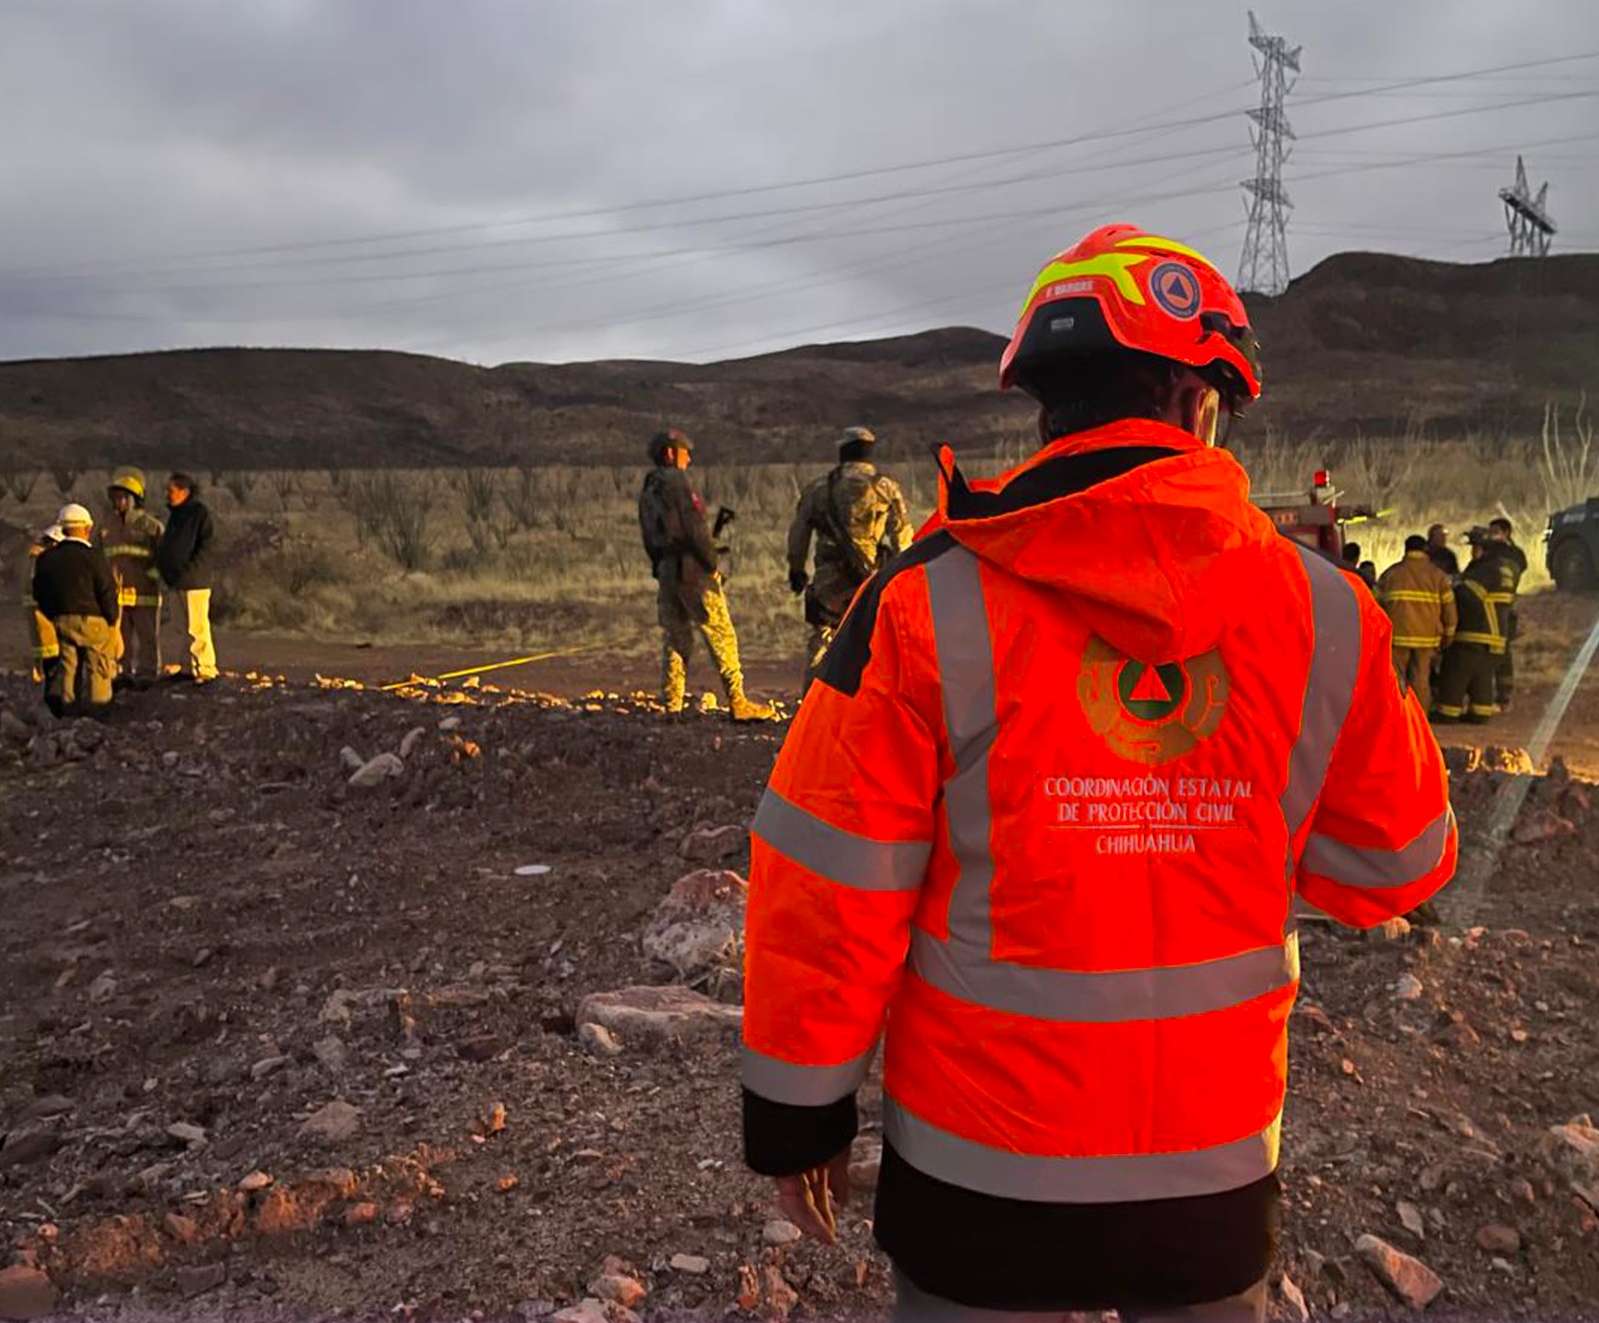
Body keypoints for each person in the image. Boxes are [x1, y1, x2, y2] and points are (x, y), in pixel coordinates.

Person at [741, 224, 1457, 1323]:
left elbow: (826, 883)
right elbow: (1395, 866)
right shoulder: (1325, 610)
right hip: (1209, 1177)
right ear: (1200, 403)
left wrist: (800, 1116)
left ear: (1046, 407)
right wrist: (1220, 821)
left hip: (976, 1182)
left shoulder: (922, 602)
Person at [637, 428, 774, 720]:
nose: (688, 458)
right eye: (684, 452)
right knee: (721, 634)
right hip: (692, 572)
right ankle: (738, 701)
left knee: (676, 638)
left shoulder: (650, 486)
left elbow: (648, 535)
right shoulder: (677, 481)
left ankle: (672, 705)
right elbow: (694, 528)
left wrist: (661, 566)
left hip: (666, 570)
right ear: (670, 453)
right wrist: (711, 565)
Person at [786, 425, 912, 694]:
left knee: (823, 639)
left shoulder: (818, 489)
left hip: (829, 580)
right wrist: (904, 578)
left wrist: (796, 569)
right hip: (872, 580)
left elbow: (799, 534)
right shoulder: (886, 489)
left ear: (842, 451)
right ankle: (874, 703)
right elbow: (902, 538)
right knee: (877, 642)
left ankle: (813, 704)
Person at [32, 504, 121, 717]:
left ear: (63, 528)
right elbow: (106, 590)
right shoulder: (95, 557)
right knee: (98, 667)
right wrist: (111, 618)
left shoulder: (47, 559)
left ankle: (69, 712)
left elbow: (39, 592)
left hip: (62, 620)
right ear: (87, 528)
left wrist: (54, 614)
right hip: (94, 621)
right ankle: (98, 712)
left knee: (69, 665)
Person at [1433, 527, 1515, 723]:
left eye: (1475, 547)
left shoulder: (1484, 569)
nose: (1472, 551)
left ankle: (1448, 712)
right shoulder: (1504, 569)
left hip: (1475, 632)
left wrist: (1453, 584)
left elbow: (1468, 595)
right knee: (1482, 675)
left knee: (1456, 671)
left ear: (1484, 548)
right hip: (1497, 635)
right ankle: (1480, 712)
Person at [99, 466, 165, 684]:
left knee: (148, 636)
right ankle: (122, 672)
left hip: (144, 592)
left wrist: (153, 575)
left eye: (124, 497)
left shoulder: (151, 527)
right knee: (119, 638)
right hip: (116, 594)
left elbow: (164, 557)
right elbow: (97, 557)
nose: (119, 501)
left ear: (135, 499)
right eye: (116, 497)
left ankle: (148, 673)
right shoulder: (106, 527)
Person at [1377, 534, 1457, 712]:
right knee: (1421, 678)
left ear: (1405, 549)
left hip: (1397, 636)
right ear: (1425, 550)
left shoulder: (1391, 574)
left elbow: (1375, 606)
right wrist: (1449, 635)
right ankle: (1419, 716)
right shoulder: (1438, 576)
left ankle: (1396, 715)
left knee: (1395, 678)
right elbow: (1449, 610)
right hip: (1427, 638)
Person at [153, 472, 218, 684]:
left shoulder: (198, 514)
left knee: (196, 628)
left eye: (171, 490)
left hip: (194, 581)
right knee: (181, 627)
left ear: (184, 491)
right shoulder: (176, 515)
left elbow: (204, 547)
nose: (167, 494)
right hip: (176, 581)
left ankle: (204, 668)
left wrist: (189, 571)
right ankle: (187, 667)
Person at [1487, 517, 1526, 710]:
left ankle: (1504, 694)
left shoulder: (1514, 554)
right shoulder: (1489, 551)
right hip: (1488, 608)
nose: (1491, 535)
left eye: (1495, 532)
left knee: (1503, 651)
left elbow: (1517, 569)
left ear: (1506, 533)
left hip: (1505, 608)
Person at [21, 524, 63, 682]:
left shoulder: (36, 558)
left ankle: (42, 673)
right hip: (45, 616)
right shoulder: (42, 560)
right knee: (51, 657)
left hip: (40, 617)